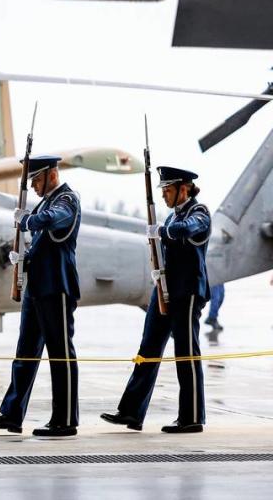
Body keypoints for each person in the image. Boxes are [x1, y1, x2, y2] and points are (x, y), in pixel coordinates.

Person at [0, 155, 81, 437]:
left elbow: (53, 221)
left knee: (60, 354)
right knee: (25, 353)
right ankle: (12, 414)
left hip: (56, 286)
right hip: (37, 286)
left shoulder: (67, 200)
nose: (34, 185)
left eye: (36, 179)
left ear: (51, 175)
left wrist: (28, 219)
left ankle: (65, 419)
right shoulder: (46, 202)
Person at [101, 166, 211, 434]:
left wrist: (161, 231)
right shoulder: (174, 216)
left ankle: (192, 417)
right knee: (147, 349)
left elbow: (186, 230)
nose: (164, 195)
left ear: (183, 189)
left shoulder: (199, 213)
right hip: (165, 289)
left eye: (168, 190)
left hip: (187, 293)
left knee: (186, 353)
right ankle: (131, 412)